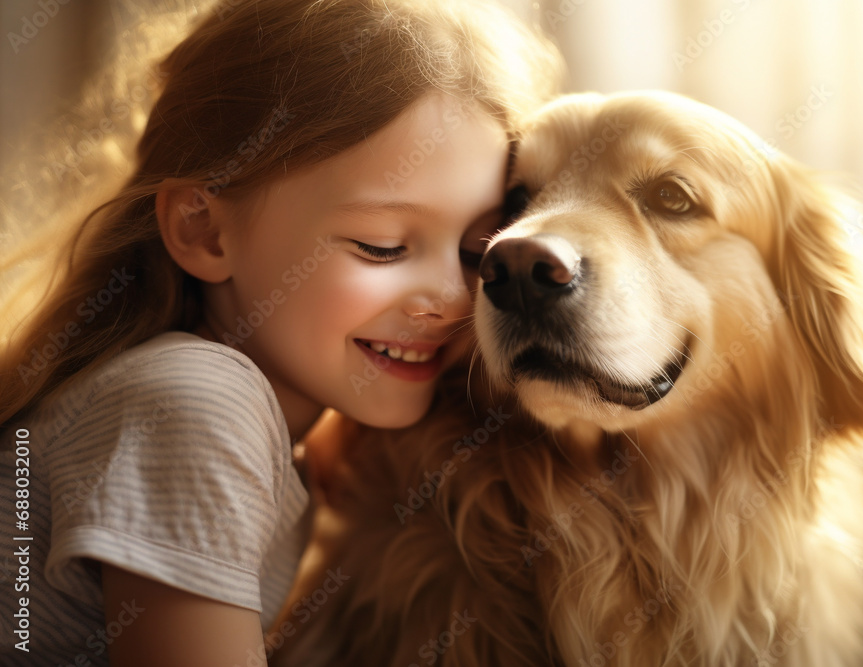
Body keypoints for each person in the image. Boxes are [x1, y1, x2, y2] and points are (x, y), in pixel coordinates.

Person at [0, 0, 561, 664]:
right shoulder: (198, 398)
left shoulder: (275, 436)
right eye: (382, 246)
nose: (450, 298)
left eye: (477, 253)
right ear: (203, 229)